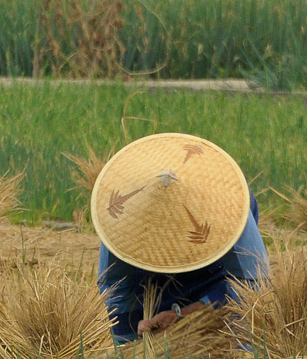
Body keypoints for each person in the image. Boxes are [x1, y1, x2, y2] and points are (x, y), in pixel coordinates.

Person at [92, 133, 270, 343]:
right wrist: (131, 355)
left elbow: (251, 287)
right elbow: (115, 288)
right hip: (152, 286)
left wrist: (184, 315)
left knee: (232, 346)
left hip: (215, 276)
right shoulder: (120, 215)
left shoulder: (231, 209)